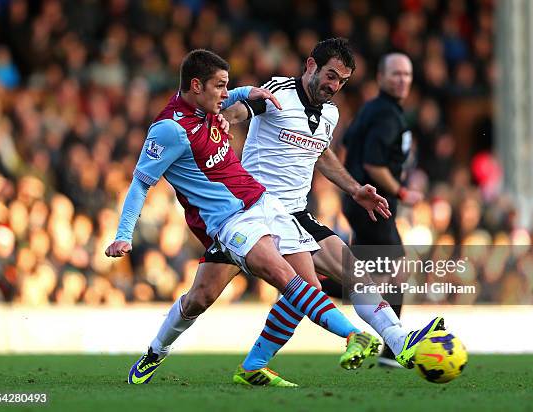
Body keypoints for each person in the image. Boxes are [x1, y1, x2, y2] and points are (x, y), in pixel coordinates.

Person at [132, 41, 444, 387]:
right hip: (247, 211)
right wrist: (223, 119)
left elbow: (322, 155)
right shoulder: (279, 89)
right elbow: (242, 111)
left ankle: (399, 341)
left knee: (347, 276)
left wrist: (355, 189)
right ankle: (156, 351)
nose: (334, 85)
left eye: (342, 80)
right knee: (199, 298)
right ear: (311, 65)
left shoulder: (331, 113)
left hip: (295, 213)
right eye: (330, 75)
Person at [341, 52, 424, 367]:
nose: (402, 79)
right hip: (373, 205)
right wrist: (401, 190)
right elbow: (373, 164)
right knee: (398, 271)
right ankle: (393, 350)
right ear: (380, 77)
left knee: (357, 275)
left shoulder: (372, 109)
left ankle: (304, 284)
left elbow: (348, 143)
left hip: (358, 201)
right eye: (396, 74)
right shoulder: (388, 115)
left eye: (407, 74)